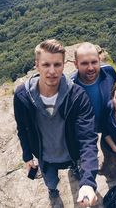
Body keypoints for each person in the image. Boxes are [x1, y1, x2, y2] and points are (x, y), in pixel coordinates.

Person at [13, 39, 98, 207]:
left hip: (72, 153)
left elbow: (88, 138)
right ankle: (53, 192)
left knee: (77, 169)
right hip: (44, 156)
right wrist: (27, 156)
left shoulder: (77, 96)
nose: (52, 71)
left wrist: (88, 182)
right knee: (51, 182)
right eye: (46, 65)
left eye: (57, 65)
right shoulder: (22, 96)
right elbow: (22, 128)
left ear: (64, 65)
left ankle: (76, 172)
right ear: (37, 65)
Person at [71, 42, 116, 133]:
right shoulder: (70, 86)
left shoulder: (109, 72)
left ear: (99, 60)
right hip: (85, 132)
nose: (90, 68)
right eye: (84, 63)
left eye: (94, 62)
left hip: (110, 127)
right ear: (76, 64)